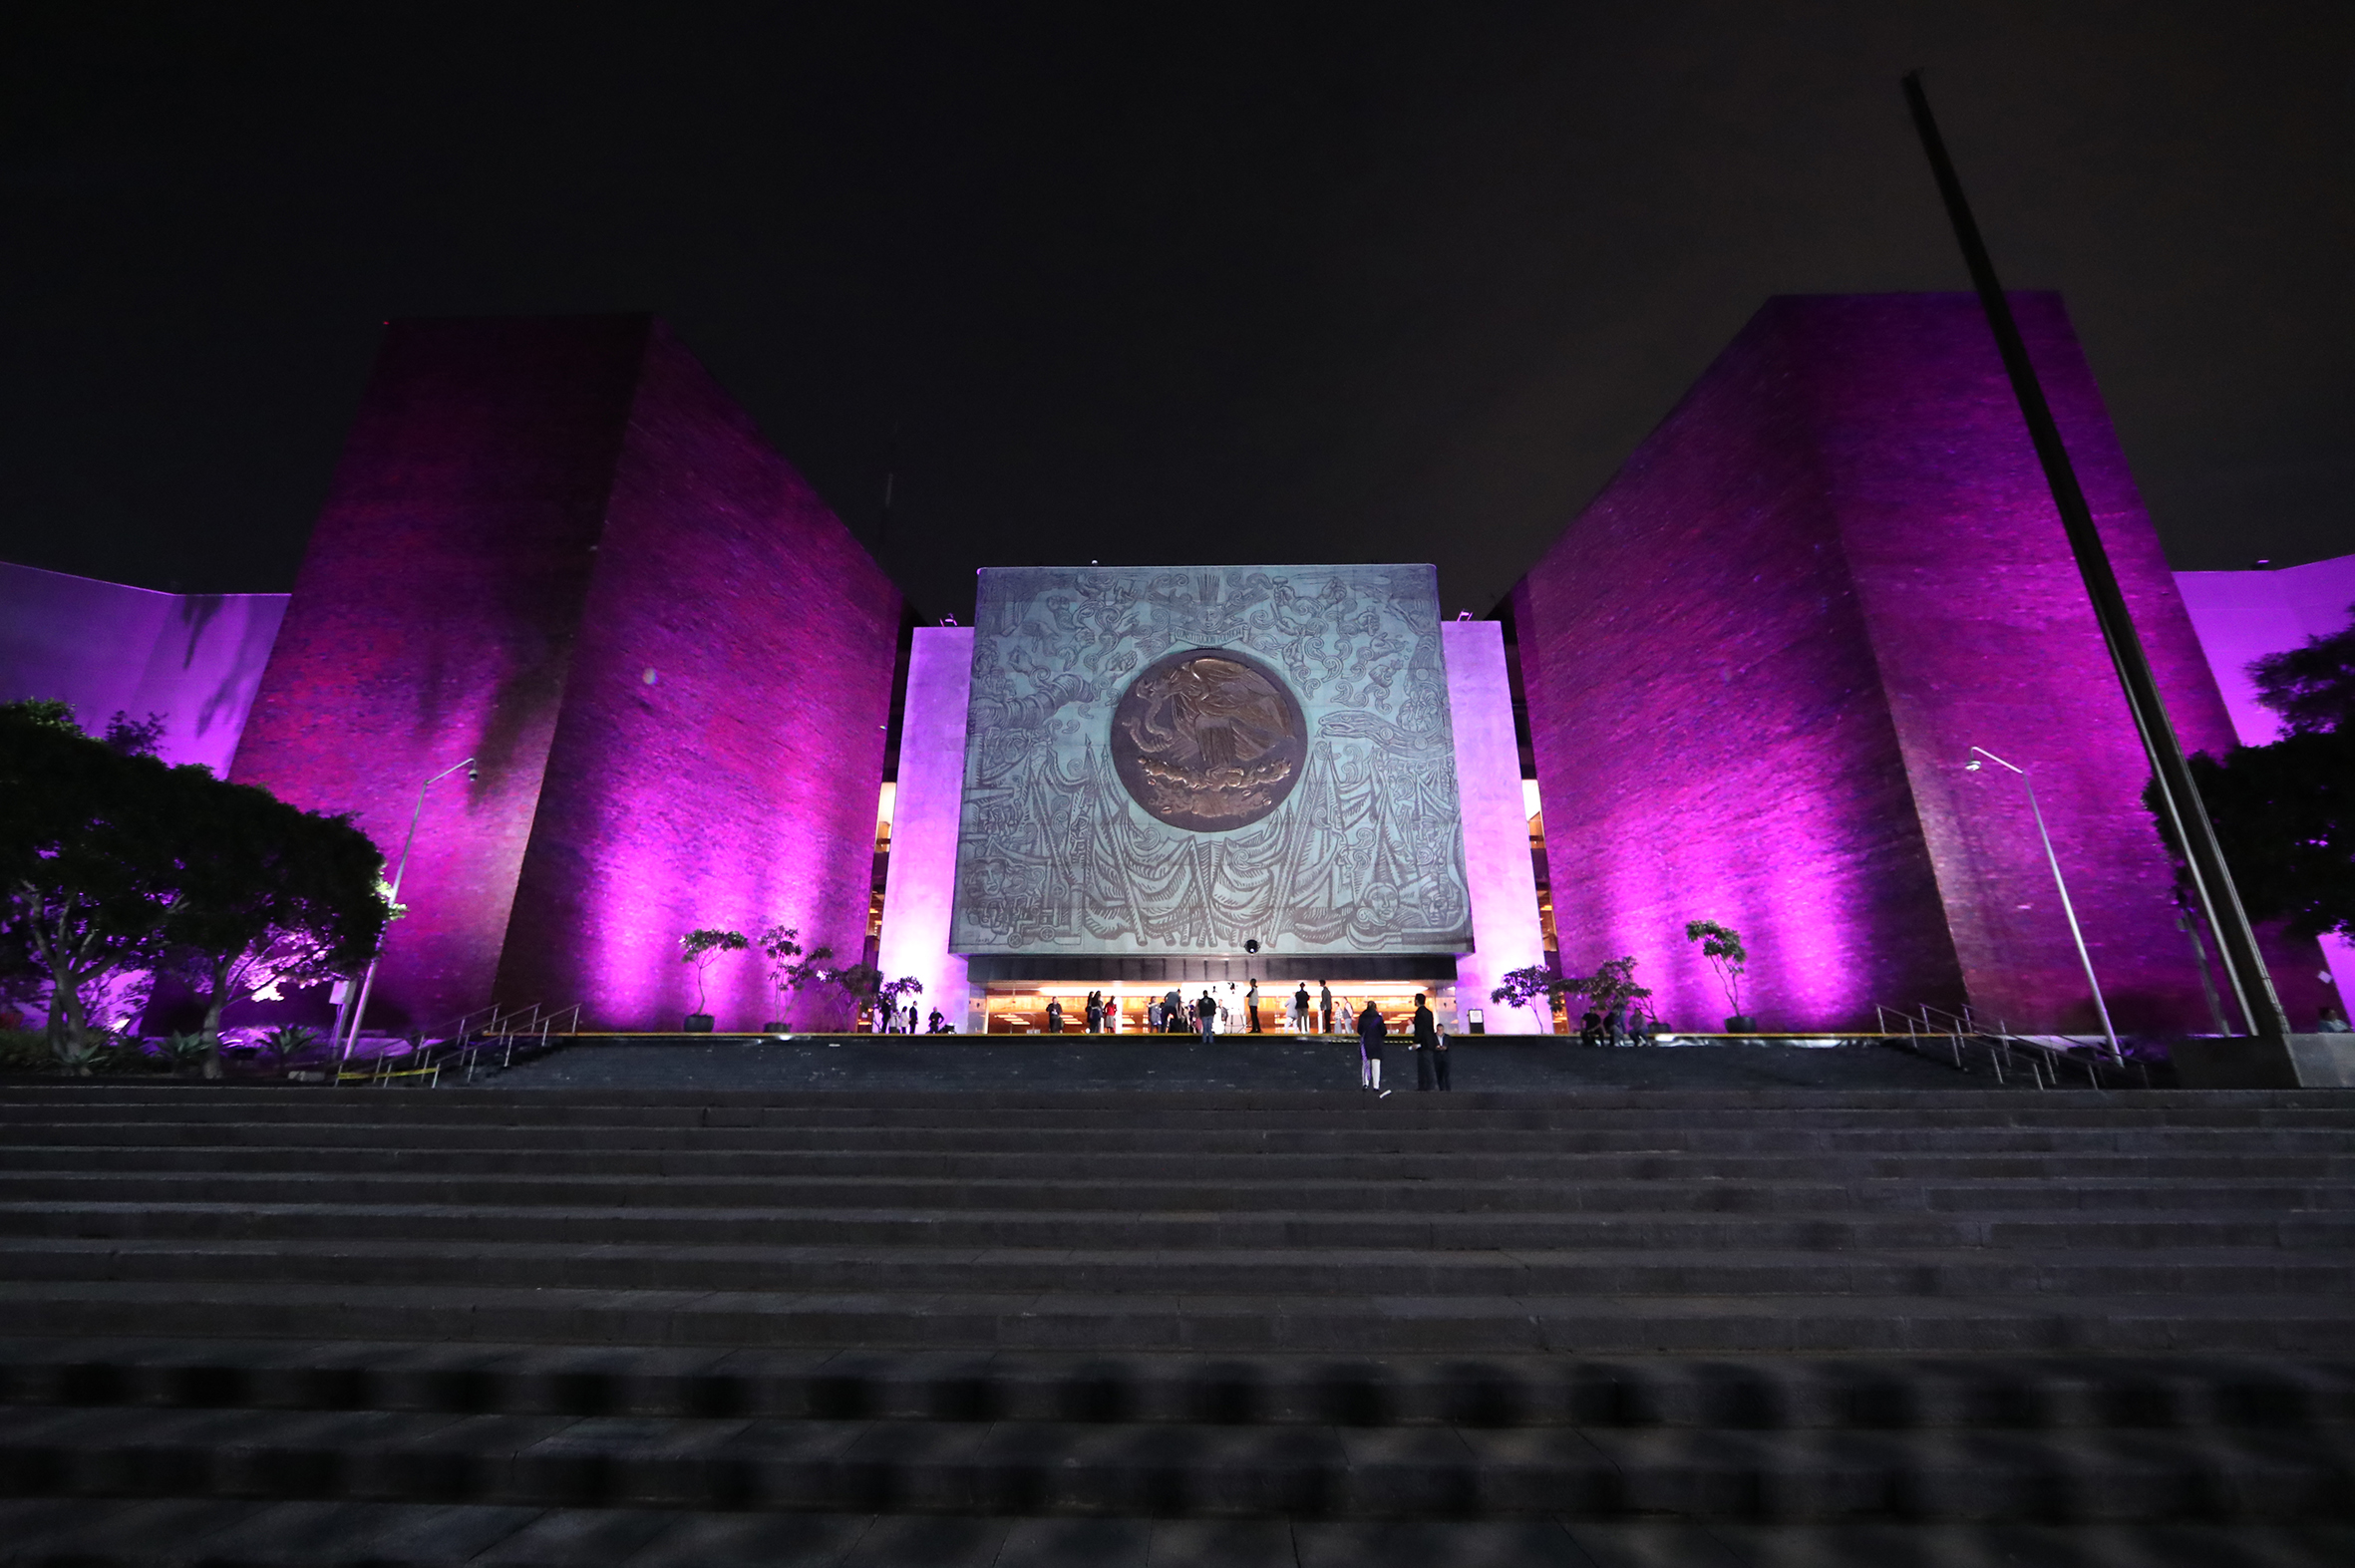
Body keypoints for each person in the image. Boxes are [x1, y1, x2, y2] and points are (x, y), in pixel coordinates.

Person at [1356, 999, 1390, 1095]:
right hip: (1376, 1043)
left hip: (1366, 1043)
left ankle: (1365, 1083)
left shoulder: (1362, 1017)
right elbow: (1384, 1031)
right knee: (1376, 1064)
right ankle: (1376, 1086)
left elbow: (1359, 1030)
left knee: (1365, 1064)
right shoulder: (1378, 1018)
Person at [1411, 993, 1440, 1092]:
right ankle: (1430, 1085)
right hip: (1429, 1042)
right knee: (1428, 1065)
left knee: (1422, 1065)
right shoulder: (1429, 1012)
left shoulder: (1419, 1013)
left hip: (1422, 1043)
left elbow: (1419, 1029)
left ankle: (1423, 1086)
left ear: (1417, 1001)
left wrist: (1416, 1041)